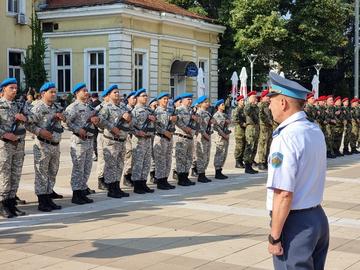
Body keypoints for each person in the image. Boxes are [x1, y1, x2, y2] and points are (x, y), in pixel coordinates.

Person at [266, 72, 329, 270]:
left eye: (271, 101)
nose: (269, 106)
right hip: (317, 218)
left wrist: (274, 237)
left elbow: (284, 192)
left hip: (295, 224)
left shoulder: (286, 137)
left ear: (283, 102)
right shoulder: (314, 130)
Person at [27, 82, 65, 212]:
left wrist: (62, 117)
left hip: (55, 145)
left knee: (52, 173)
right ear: (43, 94)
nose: (54, 94)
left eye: (55, 92)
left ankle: (49, 198)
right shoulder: (37, 107)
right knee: (41, 174)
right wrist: (40, 131)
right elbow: (28, 124)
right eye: (51, 92)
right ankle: (42, 201)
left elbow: (64, 120)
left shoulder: (56, 107)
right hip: (43, 145)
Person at [64, 83, 100, 204]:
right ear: (77, 93)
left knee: (87, 168)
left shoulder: (89, 107)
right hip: (79, 140)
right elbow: (65, 122)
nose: (86, 92)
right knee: (78, 168)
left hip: (89, 140)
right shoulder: (72, 107)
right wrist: (77, 129)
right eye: (84, 91)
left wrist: (96, 120)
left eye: (87, 90)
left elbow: (97, 118)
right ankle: (76, 194)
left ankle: (83, 190)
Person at [0, 78, 29, 218]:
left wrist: (24, 117)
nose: (14, 90)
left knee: (16, 174)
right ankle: (2, 204)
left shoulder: (20, 105)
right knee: (4, 176)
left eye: (16, 88)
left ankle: (12, 203)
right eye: (11, 88)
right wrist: (4, 134)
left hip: (19, 145)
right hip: (5, 145)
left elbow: (32, 118)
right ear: (4, 89)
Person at [97, 85, 131, 198]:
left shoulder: (123, 107)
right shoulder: (106, 107)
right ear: (109, 95)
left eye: (118, 92)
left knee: (119, 165)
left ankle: (117, 187)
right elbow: (100, 120)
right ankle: (111, 189)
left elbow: (132, 119)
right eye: (115, 92)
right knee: (111, 166)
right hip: (111, 140)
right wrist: (112, 127)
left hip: (122, 140)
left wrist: (129, 118)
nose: (117, 94)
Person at [131, 88, 156, 194]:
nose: (145, 97)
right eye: (143, 96)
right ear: (137, 98)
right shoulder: (134, 111)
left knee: (146, 163)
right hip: (139, 140)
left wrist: (154, 119)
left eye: (146, 96)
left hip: (148, 139)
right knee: (138, 163)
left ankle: (143, 183)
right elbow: (130, 125)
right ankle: (137, 185)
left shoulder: (149, 110)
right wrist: (137, 132)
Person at [153, 92, 177, 189]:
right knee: (160, 161)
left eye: (167, 99)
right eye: (164, 99)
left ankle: (165, 179)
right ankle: (160, 181)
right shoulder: (156, 112)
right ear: (159, 101)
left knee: (168, 159)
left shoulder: (168, 111)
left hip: (168, 138)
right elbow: (155, 126)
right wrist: (164, 132)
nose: (166, 101)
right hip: (160, 137)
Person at [174, 93, 198, 186]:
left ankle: (186, 177)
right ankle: (181, 179)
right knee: (181, 159)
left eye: (191, 99)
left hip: (190, 138)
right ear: (182, 100)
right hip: (181, 137)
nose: (190, 101)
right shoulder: (179, 110)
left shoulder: (191, 111)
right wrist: (185, 128)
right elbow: (177, 121)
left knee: (188, 159)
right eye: (188, 99)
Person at [194, 95, 212, 183]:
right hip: (202, 136)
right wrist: (204, 134)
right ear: (201, 104)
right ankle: (201, 174)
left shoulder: (208, 113)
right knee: (201, 156)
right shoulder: (199, 113)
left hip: (207, 135)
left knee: (207, 156)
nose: (208, 103)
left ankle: (203, 172)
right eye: (206, 102)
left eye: (208, 102)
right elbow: (199, 126)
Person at [122, 91, 137, 187]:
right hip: (127, 135)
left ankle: (131, 175)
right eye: (133, 98)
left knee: (134, 156)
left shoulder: (136, 109)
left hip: (135, 135)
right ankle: (126, 176)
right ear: (128, 99)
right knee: (129, 155)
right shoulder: (125, 109)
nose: (134, 100)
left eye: (136, 98)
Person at [213, 99, 230, 179]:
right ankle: (217, 171)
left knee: (224, 153)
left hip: (225, 136)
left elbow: (229, 122)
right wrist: (224, 135)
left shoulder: (224, 115)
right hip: (220, 136)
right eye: (222, 105)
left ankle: (220, 170)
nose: (224, 106)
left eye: (224, 104)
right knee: (219, 153)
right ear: (218, 106)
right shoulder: (216, 115)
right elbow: (218, 128)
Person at [243, 91, 260, 174]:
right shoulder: (248, 106)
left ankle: (251, 162)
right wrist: (250, 102)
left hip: (256, 127)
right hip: (250, 128)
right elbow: (247, 112)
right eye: (254, 97)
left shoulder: (256, 107)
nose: (256, 98)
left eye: (256, 97)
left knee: (254, 147)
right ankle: (247, 166)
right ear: (250, 98)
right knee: (249, 146)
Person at [257, 90, 273, 170]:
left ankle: (266, 160)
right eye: (267, 96)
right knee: (263, 144)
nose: (268, 98)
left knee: (269, 144)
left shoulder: (269, 105)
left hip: (270, 127)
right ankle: (261, 161)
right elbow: (261, 116)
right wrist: (269, 122)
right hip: (264, 127)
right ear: (263, 97)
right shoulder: (261, 105)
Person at [232, 95, 246, 168]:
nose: (243, 102)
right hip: (239, 130)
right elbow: (235, 119)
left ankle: (241, 160)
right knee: (239, 146)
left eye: (243, 100)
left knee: (244, 145)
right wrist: (242, 124)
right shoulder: (236, 110)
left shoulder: (244, 109)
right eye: (241, 100)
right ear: (238, 102)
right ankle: (237, 161)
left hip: (245, 129)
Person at [148, 97, 158, 183]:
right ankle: (152, 174)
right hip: (149, 136)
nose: (155, 107)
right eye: (154, 105)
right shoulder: (148, 113)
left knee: (156, 156)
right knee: (151, 156)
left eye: (157, 105)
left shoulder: (157, 113)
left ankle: (156, 173)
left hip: (157, 136)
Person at [89, 93, 101, 161]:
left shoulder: (91, 105)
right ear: (98, 97)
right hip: (100, 123)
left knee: (95, 140)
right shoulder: (101, 103)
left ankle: (96, 155)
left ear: (92, 97)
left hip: (93, 125)